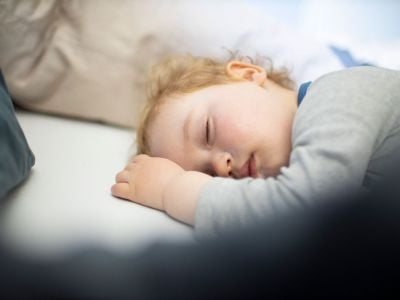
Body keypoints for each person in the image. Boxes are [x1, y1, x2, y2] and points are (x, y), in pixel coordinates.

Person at [111, 54, 400, 237]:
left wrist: (172, 189)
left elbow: (303, 213)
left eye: (208, 132)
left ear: (248, 74)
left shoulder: (341, 94)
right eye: (206, 177)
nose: (220, 169)